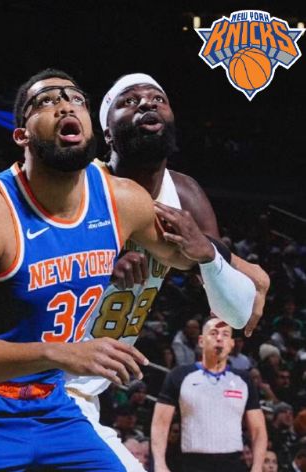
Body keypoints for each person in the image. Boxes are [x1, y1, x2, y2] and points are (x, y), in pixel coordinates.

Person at [0, 69, 256, 471]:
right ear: (21, 136)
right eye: (46, 101)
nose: (64, 105)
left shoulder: (124, 201)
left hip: (46, 403)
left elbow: (195, 259)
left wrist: (231, 264)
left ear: (90, 127)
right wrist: (61, 353)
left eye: (74, 99)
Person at [64, 72, 269, 470]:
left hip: (85, 392)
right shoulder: (81, 183)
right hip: (45, 371)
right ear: (107, 133)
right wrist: (97, 264)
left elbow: (236, 313)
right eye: (129, 101)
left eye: (158, 98)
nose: (147, 103)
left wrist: (208, 255)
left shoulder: (185, 194)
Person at [151, 317, 267, 472]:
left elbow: (258, 429)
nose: (219, 338)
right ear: (201, 341)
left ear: (231, 343)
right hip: (190, 464)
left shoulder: (243, 380)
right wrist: (159, 463)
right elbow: (160, 424)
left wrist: (257, 466)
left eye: (225, 334)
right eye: (213, 333)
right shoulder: (179, 375)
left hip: (233, 464)